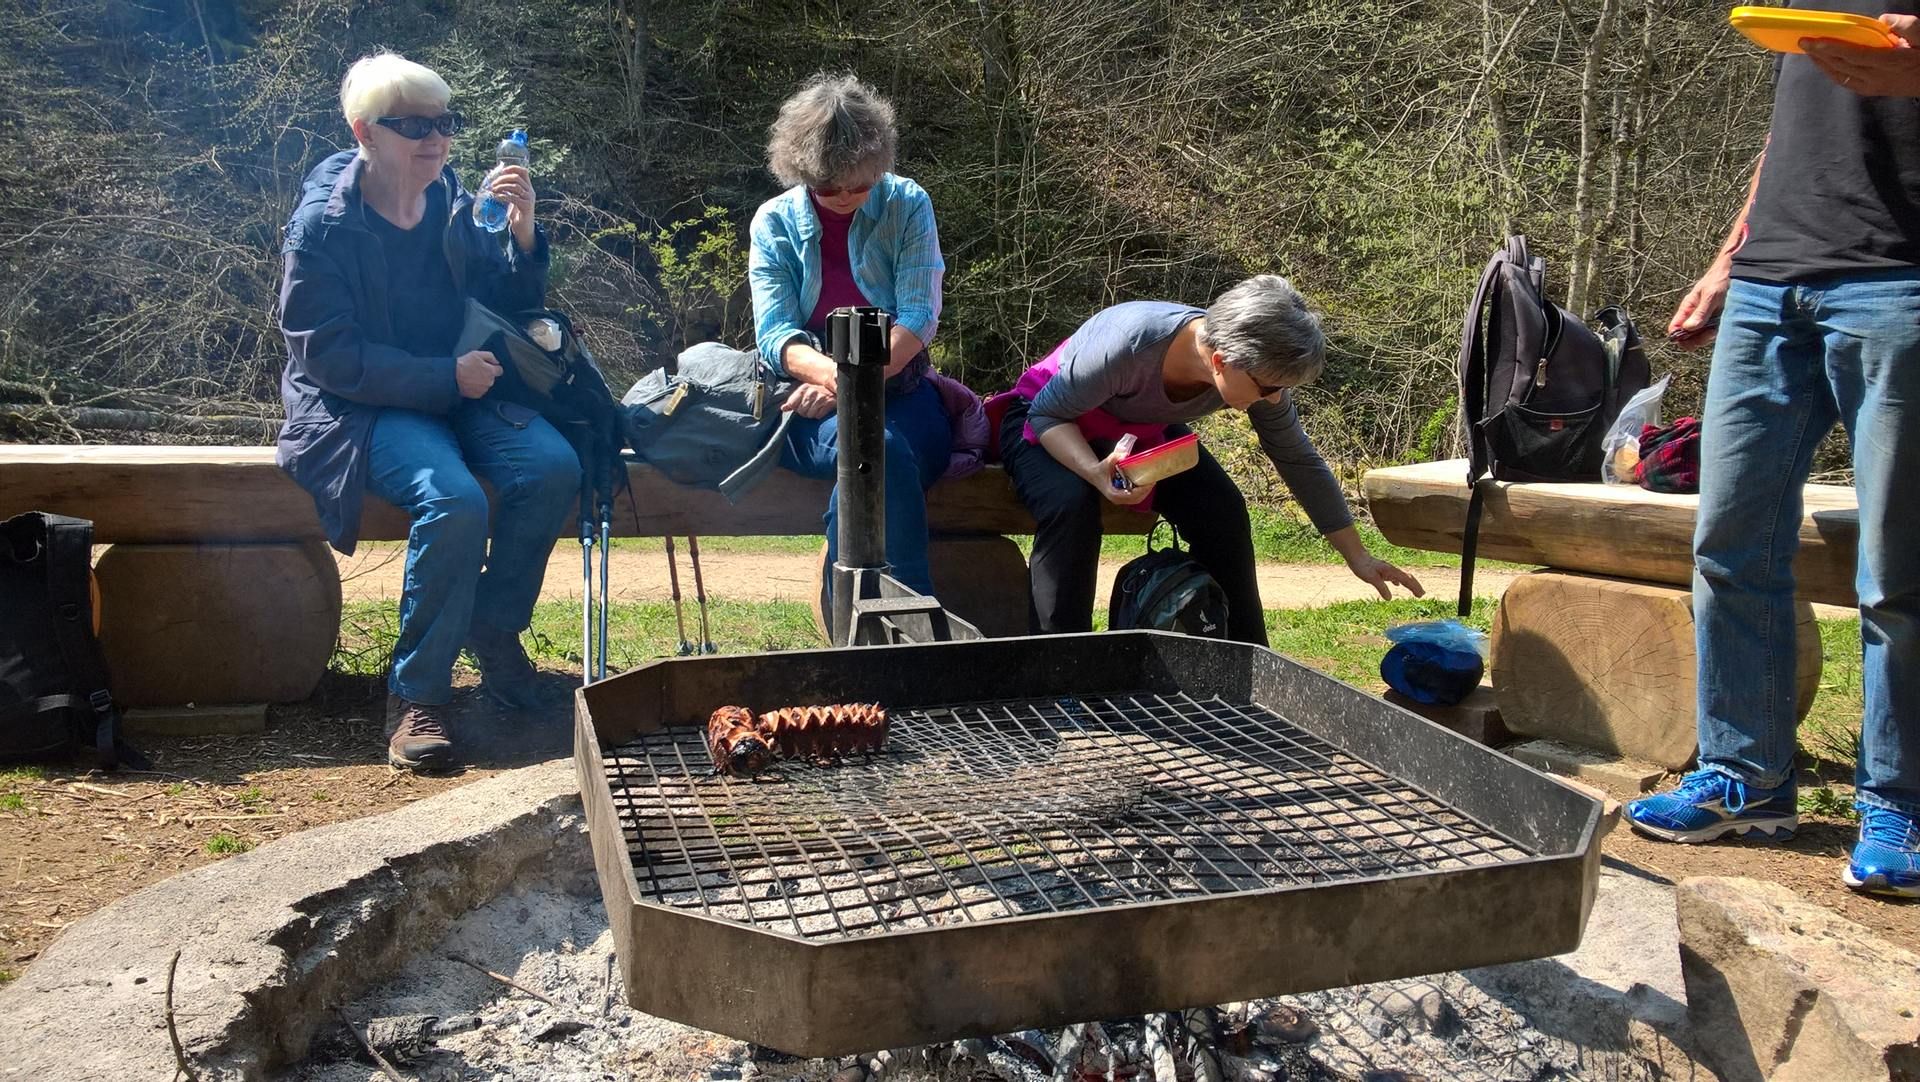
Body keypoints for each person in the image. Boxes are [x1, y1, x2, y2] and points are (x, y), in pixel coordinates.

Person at [1625, 8, 1920, 899]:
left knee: (1898, 572)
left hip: (1900, 280)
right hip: (1770, 286)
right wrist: (1728, 258)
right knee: (1730, 541)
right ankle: (1744, 778)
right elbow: (1793, 128)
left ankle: (1900, 800)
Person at [276, 53, 577, 772]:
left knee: (552, 467)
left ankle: (493, 629)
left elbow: (504, 294)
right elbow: (328, 356)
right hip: (359, 406)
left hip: (459, 389)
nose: (435, 137)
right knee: (454, 500)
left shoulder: (448, 197)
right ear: (364, 132)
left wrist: (526, 234)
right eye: (412, 124)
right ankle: (418, 696)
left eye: (445, 122)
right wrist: (445, 378)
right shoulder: (323, 226)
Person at [996, 277, 1424, 644]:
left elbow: (1298, 458)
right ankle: (1061, 669)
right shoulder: (1132, 341)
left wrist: (1358, 556)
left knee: (1221, 508)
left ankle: (1247, 667)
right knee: (1072, 504)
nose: (1274, 399)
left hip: (1140, 430)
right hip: (1047, 419)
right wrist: (1093, 472)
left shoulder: (1254, 367)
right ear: (1220, 362)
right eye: (1267, 388)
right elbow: (1047, 413)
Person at [748, 73, 972, 604]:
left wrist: (853, 382)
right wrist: (837, 380)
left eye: (861, 183)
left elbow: (918, 314)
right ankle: (908, 620)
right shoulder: (773, 223)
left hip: (905, 394)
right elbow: (776, 334)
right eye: (829, 186)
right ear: (800, 172)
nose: (846, 196)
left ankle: (863, 622)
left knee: (879, 450)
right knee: (871, 449)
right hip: (808, 406)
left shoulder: (908, 204)